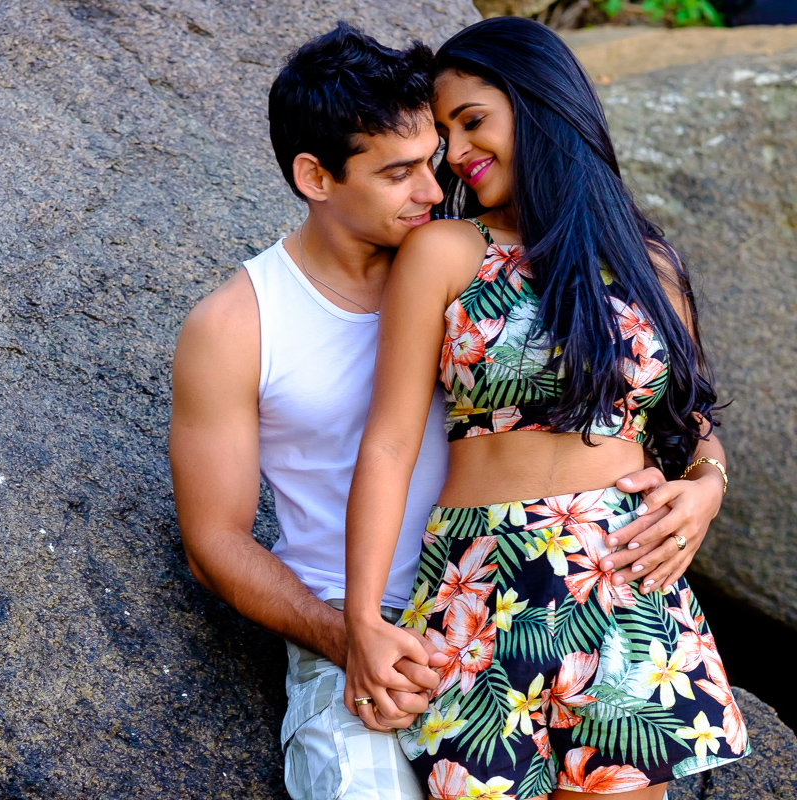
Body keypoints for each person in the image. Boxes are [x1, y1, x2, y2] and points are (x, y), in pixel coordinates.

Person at [170, 21, 728, 800]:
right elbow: (223, 537)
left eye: (440, 153)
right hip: (425, 604)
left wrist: (707, 484)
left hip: (613, 583)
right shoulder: (243, 323)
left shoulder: (626, 260)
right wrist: (352, 633)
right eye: (403, 171)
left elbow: (680, 410)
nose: (438, 185)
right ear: (315, 177)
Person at [341, 17, 748, 800]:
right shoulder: (446, 252)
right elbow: (388, 445)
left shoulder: (647, 263)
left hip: (624, 585)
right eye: (445, 136)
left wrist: (706, 487)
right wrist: (363, 620)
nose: (457, 152)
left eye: (472, 121)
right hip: (483, 590)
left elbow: (692, 423)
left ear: (538, 103)